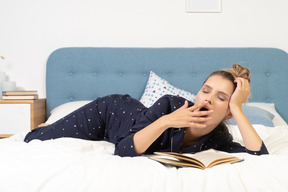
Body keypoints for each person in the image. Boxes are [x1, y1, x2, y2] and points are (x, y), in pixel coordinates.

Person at [24, 64, 268, 157]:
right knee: (35, 137)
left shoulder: (219, 135)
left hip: (125, 127)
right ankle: (51, 125)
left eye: (222, 98)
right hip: (110, 114)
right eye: (205, 90)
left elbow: (259, 155)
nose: (209, 99)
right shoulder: (170, 104)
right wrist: (167, 121)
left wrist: (237, 106)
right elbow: (123, 149)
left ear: (228, 112)